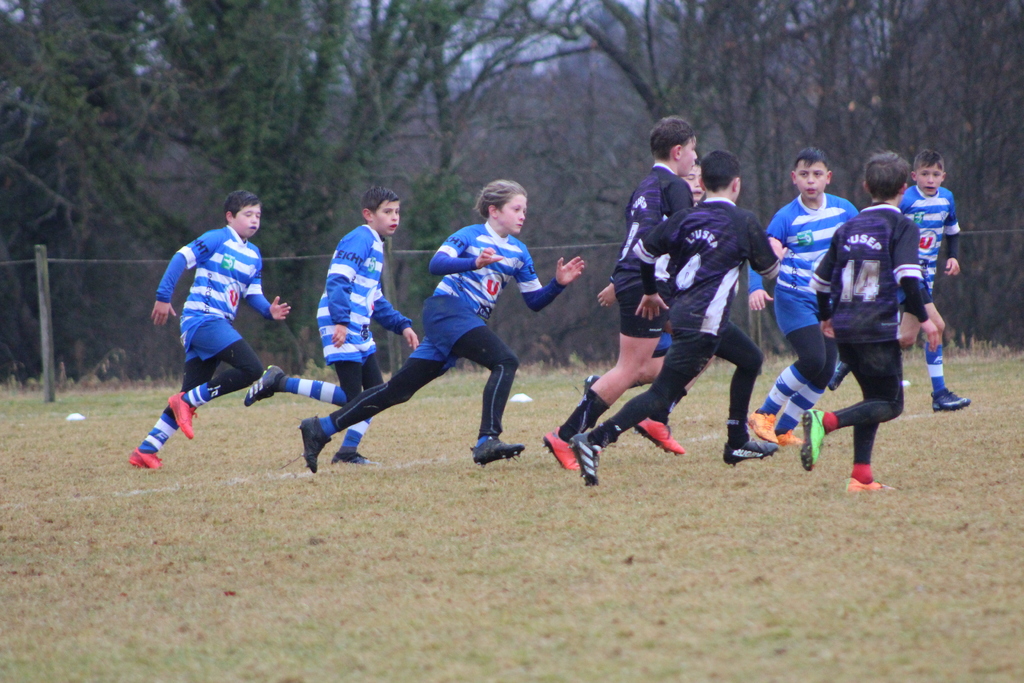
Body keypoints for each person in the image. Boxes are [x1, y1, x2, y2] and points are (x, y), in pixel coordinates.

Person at [294, 180, 586, 473]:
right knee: (505, 360)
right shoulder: (470, 235)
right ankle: (487, 439)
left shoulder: (520, 252)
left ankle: (321, 428)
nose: (523, 215)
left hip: (462, 323)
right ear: (494, 210)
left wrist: (557, 284)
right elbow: (437, 263)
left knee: (397, 390)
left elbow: (534, 301)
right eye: (517, 209)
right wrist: (473, 262)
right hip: (446, 310)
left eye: (524, 209)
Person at [568, 150, 782, 486]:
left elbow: (643, 252)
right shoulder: (743, 221)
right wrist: (777, 254)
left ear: (702, 182)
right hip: (703, 323)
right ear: (736, 184)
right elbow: (770, 271)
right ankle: (594, 440)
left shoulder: (686, 217)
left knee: (751, 358)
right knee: (661, 394)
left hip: (686, 314)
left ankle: (737, 442)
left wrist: (650, 290)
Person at [544, 116, 697, 469]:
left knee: (690, 352)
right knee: (631, 369)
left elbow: (634, 239)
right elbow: (685, 242)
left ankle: (655, 414)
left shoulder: (643, 187)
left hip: (635, 279)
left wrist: (619, 281)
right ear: (678, 151)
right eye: (693, 150)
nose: (694, 158)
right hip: (650, 284)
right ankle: (565, 436)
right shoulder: (676, 187)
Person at [242, 187, 419, 465]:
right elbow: (338, 280)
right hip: (341, 322)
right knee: (355, 398)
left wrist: (402, 325)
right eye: (387, 212)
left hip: (357, 325)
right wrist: (341, 321)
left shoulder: (376, 244)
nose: (395, 217)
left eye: (397, 211)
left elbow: (375, 297)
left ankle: (347, 452)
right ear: (368, 214)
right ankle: (280, 382)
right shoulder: (360, 238)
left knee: (376, 393)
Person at [801, 152, 941, 492]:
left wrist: (826, 316)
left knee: (872, 399)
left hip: (845, 327)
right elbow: (908, 277)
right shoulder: (902, 226)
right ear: (904, 188)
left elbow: (819, 283)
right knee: (890, 404)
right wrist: (925, 320)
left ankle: (861, 476)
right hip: (875, 327)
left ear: (866, 187)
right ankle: (825, 420)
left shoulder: (847, 228)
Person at [129, 191, 291, 469]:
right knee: (252, 369)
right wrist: (163, 296)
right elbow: (181, 257)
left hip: (218, 324)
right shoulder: (217, 238)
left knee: (189, 393)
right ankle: (185, 402)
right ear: (230, 216)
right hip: (203, 320)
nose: (254, 220)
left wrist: (268, 310)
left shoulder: (253, 254)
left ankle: (146, 450)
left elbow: (252, 293)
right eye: (248, 215)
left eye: (258, 215)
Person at [747, 148, 859, 446]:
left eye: (817, 174)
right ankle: (764, 413)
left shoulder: (844, 210)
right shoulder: (786, 218)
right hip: (794, 300)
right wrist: (755, 287)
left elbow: (865, 240)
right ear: (793, 178)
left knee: (825, 370)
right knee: (812, 359)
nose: (811, 180)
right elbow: (760, 255)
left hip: (828, 302)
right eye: (804, 174)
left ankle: (784, 429)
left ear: (828, 177)